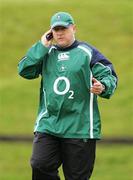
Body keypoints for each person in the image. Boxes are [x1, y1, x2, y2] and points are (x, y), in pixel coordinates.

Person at [18, 12, 118, 180]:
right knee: (39, 164)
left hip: (80, 127)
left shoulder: (86, 52)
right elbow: (25, 70)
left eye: (63, 28)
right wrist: (42, 45)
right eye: (56, 29)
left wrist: (103, 86)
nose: (59, 33)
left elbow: (109, 75)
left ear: (73, 28)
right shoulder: (46, 53)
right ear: (50, 32)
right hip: (49, 125)